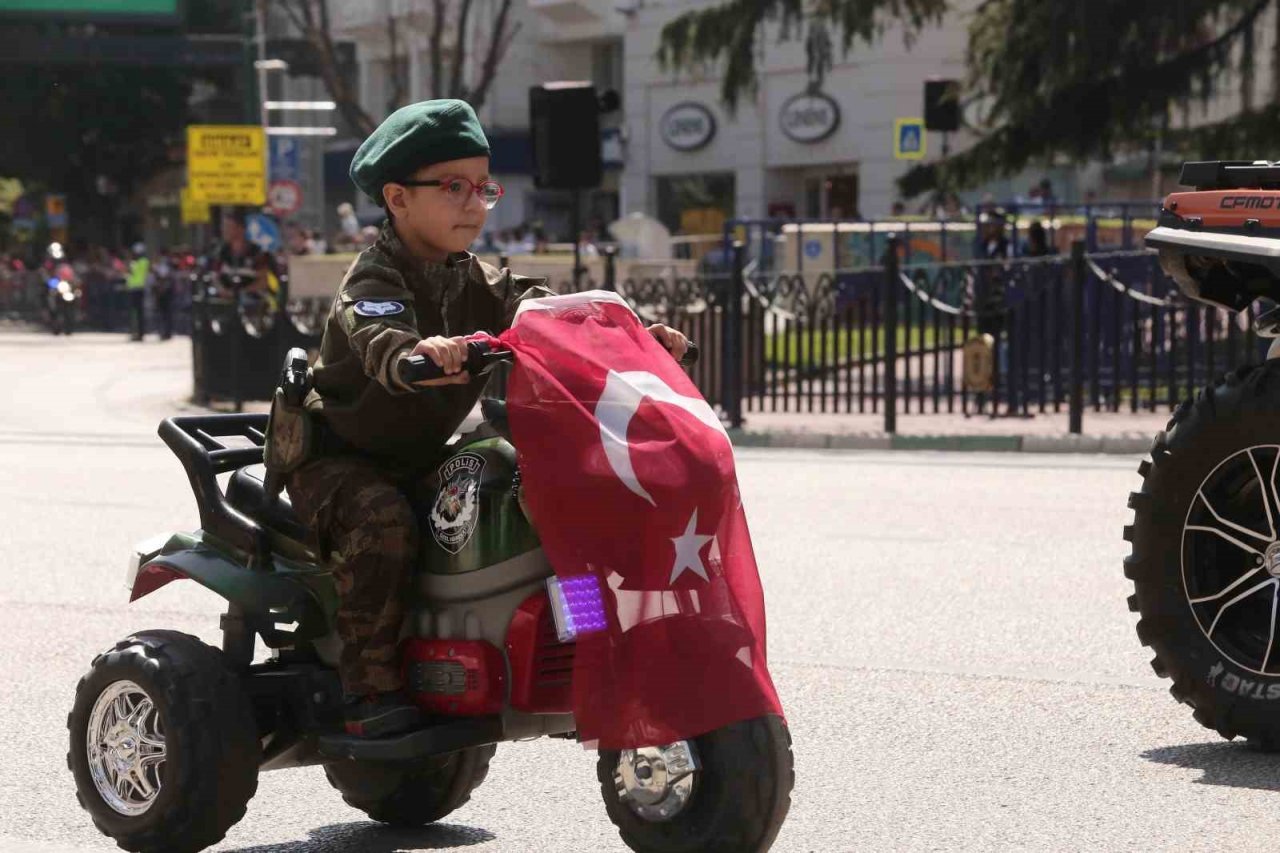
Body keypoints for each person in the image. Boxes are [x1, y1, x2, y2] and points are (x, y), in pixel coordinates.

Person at [276, 99, 689, 738]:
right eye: (452, 187)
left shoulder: (475, 278)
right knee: (381, 520)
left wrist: (628, 334)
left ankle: (581, 642)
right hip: (341, 458)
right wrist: (417, 353)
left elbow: (545, 308)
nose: (474, 203)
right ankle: (368, 689)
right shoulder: (373, 277)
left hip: (424, 451)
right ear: (397, 197)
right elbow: (380, 336)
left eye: (482, 188)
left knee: (534, 492)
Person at [125, 242, 149, 341]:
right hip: (134, 289)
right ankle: (136, 332)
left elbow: (130, 271)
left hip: (137, 289)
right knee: (136, 313)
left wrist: (130, 262)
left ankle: (138, 333)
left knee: (137, 313)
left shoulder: (141, 262)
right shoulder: (138, 262)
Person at [151, 249, 175, 340]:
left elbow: (164, 277)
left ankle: (167, 332)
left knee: (166, 312)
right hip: (159, 292)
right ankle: (162, 331)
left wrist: (161, 288)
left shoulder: (164, 265)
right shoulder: (157, 265)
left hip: (165, 291)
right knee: (161, 312)